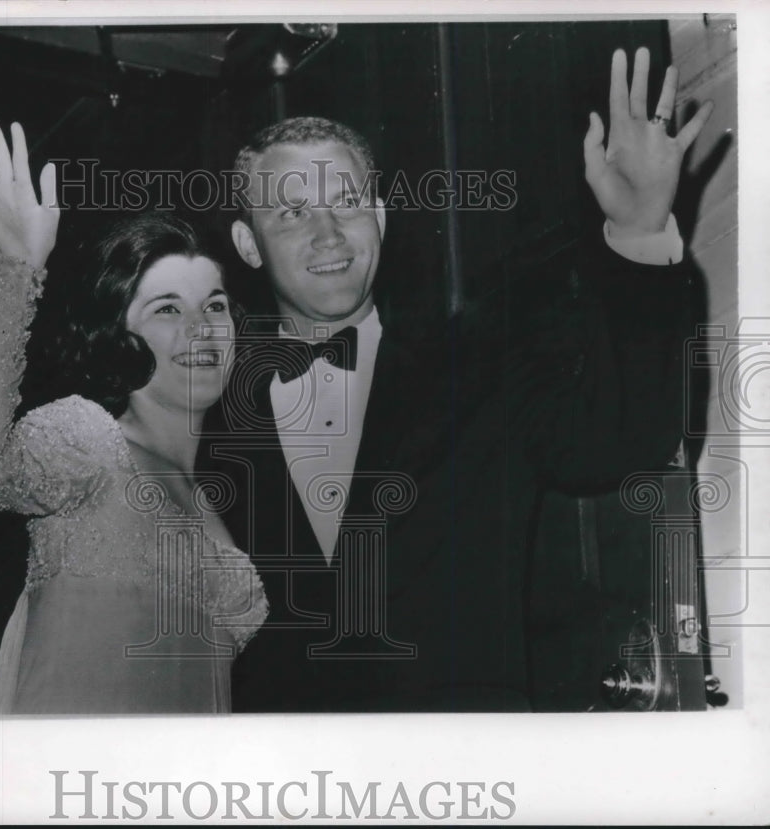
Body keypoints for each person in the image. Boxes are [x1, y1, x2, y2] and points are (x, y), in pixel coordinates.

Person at [200, 48, 714, 711]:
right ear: (248, 243)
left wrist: (639, 229)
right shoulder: (208, 425)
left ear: (380, 216)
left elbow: (627, 438)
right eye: (292, 213)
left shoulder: (478, 369)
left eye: (347, 202)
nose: (328, 233)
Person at [0, 121, 267, 714]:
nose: (201, 329)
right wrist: (18, 267)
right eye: (167, 308)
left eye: (213, 305)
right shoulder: (87, 439)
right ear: (121, 335)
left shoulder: (219, 505)